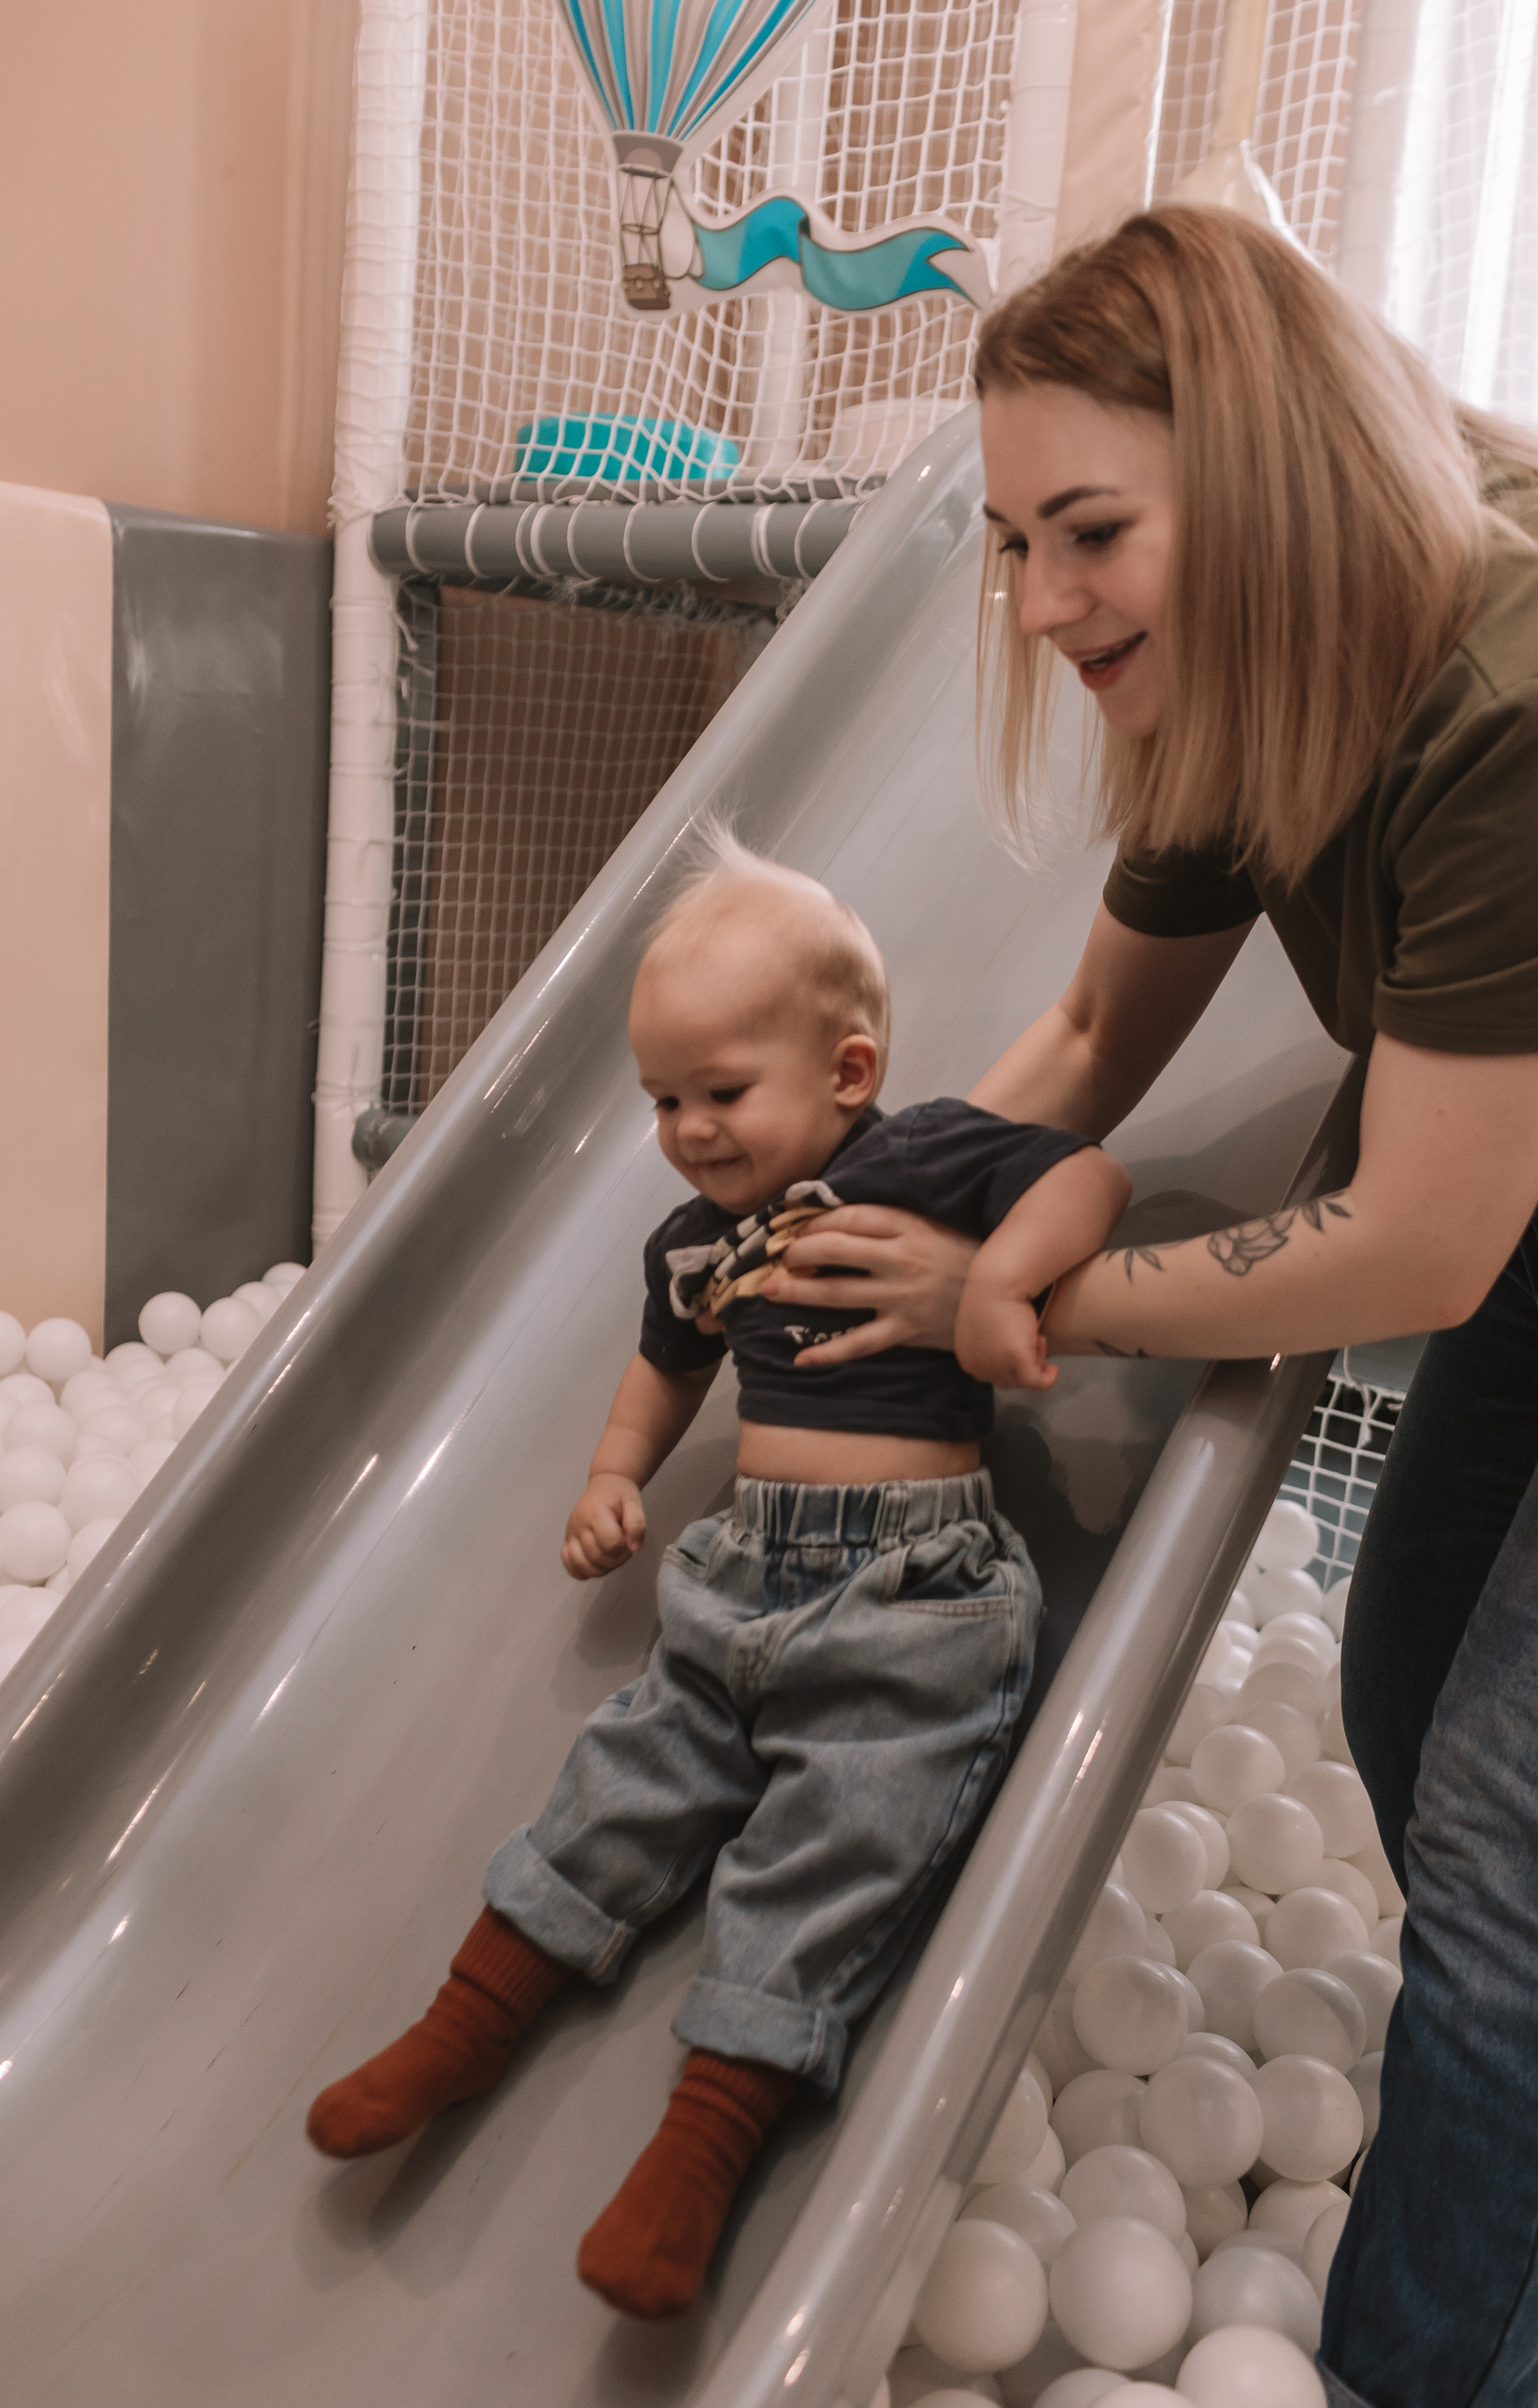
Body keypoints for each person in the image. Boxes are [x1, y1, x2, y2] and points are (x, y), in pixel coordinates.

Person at [758, 206, 1538, 2406]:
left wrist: (1046, 1294)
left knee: (1502, 1864)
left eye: (1090, 532)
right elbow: (1098, 1032)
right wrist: (858, 1221)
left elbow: (1416, 1246)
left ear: (1267, 488)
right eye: (1017, 543)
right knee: (1406, 1686)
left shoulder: (1499, 702)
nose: (1040, 600)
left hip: (1489, 1201)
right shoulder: (1233, 681)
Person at [304, 839, 1130, 2322]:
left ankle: (707, 2138)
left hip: (914, 1595)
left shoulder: (926, 1158)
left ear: (848, 1069)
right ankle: (468, 2018)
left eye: (722, 1093)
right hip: (742, 1575)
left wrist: (1006, 1281)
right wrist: (614, 1473)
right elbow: (667, 1365)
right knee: (630, 1767)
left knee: (846, 1830)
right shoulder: (695, 1243)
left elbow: (1090, 1172)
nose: (687, 1130)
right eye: (662, 1100)